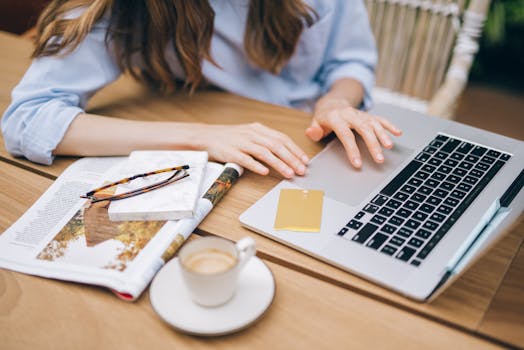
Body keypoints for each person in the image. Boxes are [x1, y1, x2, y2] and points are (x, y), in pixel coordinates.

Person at [2, 0, 402, 179]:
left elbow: (350, 62)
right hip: (223, 145)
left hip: (320, 142)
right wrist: (198, 138)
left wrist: (336, 101)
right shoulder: (121, 9)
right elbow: (28, 120)